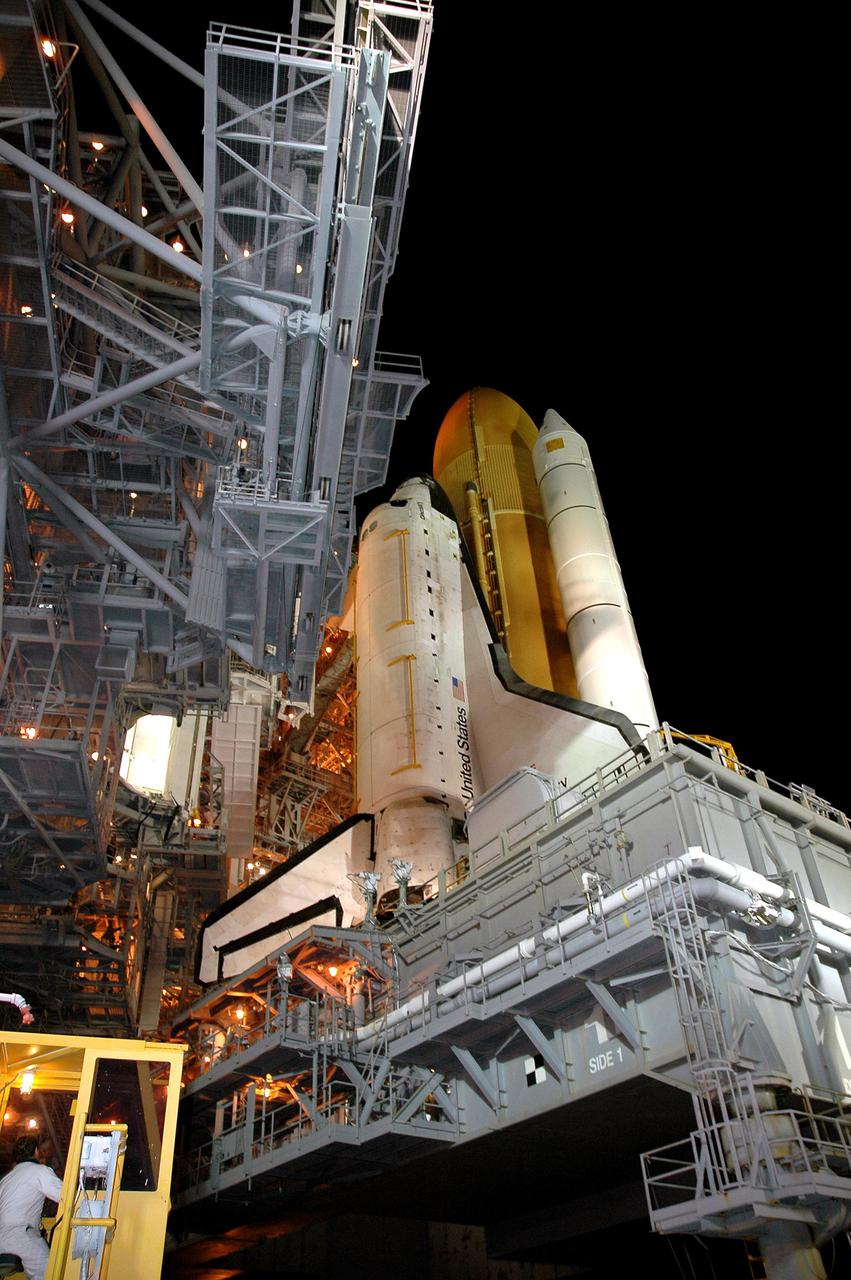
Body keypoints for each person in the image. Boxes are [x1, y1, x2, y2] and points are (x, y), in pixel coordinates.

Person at [0, 1137, 63, 1280]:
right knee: (50, 1273)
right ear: (36, 1151)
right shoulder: (40, 1171)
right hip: (21, 1235)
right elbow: (64, 1196)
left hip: (2, 1237)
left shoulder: (6, 1178)